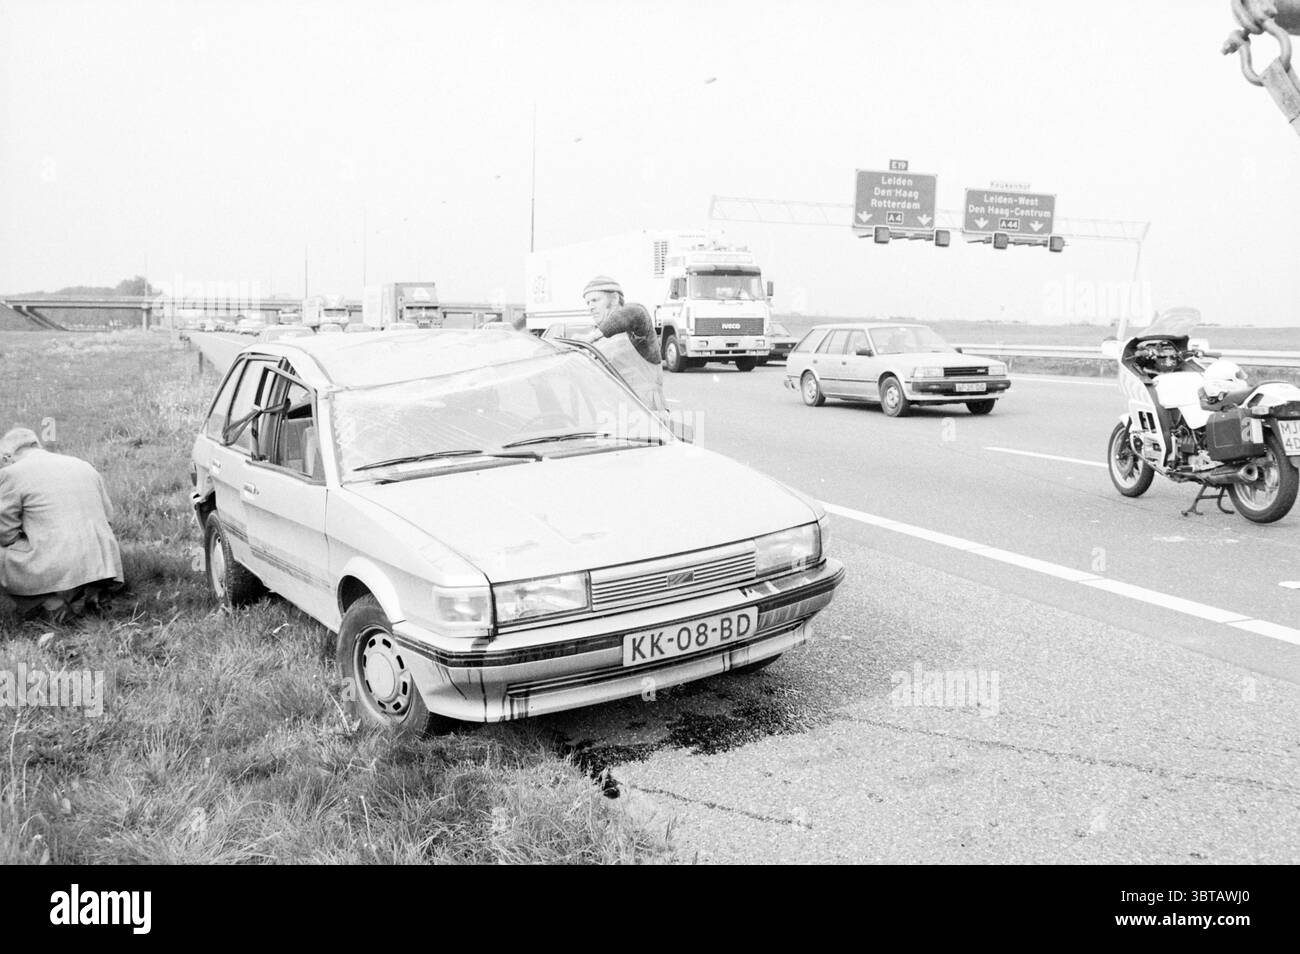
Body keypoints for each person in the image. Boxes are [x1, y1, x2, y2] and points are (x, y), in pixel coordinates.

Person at [0, 427, 124, 624]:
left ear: (7, 456)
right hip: (103, 560)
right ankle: (91, 593)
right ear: (36, 445)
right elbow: (109, 517)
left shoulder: (10, 473)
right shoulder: (82, 465)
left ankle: (47, 605)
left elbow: (5, 535)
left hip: (60, 558)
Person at [580, 275, 667, 415]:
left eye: (595, 300)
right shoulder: (599, 340)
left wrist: (591, 337)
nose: (591, 307)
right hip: (615, 415)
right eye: (588, 303)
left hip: (647, 416)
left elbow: (636, 312)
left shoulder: (636, 329)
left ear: (614, 299)